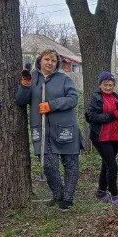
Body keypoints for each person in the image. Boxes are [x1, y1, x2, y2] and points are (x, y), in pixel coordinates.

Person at [34, 49, 82, 209]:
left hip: (65, 128)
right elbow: (21, 99)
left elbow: (73, 99)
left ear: (57, 63)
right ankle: (58, 194)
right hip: (42, 129)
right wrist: (24, 85)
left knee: (70, 164)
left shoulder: (64, 79)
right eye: (46, 59)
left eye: (53, 61)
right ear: (40, 60)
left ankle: (68, 198)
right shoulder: (33, 78)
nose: (49, 63)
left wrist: (52, 105)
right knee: (49, 165)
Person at [85, 73, 118, 204]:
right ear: (100, 85)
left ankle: (101, 191)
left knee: (106, 163)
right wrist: (115, 114)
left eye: (111, 85)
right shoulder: (95, 97)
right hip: (101, 137)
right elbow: (93, 117)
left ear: (114, 85)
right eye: (105, 84)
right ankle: (114, 194)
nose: (108, 87)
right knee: (112, 165)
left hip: (115, 136)